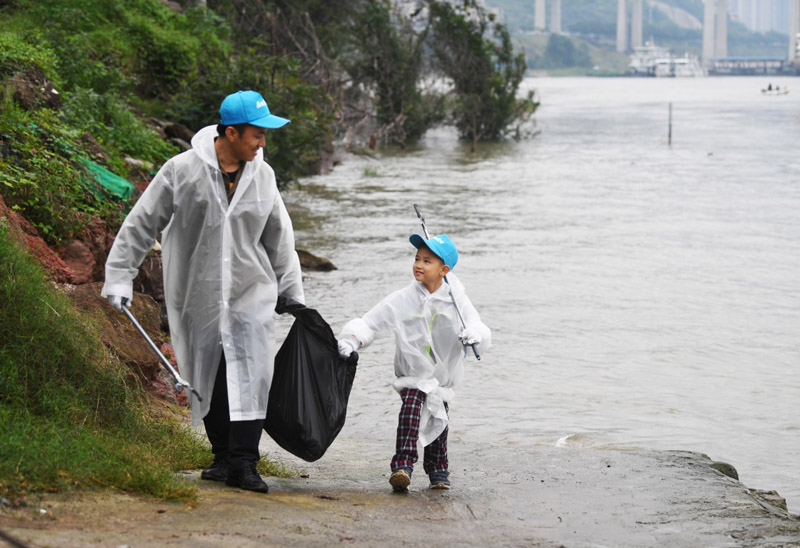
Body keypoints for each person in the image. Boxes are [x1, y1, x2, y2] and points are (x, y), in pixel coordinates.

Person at [102, 90, 304, 494]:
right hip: (199, 290)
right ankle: (222, 458)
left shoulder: (263, 175)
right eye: (257, 135)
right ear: (231, 133)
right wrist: (120, 275)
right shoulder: (182, 170)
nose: (263, 142)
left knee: (254, 370)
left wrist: (292, 290)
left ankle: (245, 463)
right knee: (208, 370)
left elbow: (280, 236)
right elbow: (142, 223)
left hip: (252, 289)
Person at [337, 233, 491, 492]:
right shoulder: (404, 298)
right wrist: (353, 340)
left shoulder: (457, 300)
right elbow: (372, 321)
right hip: (413, 375)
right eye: (417, 258)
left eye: (427, 260)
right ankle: (402, 467)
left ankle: (438, 471)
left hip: (440, 379)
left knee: (438, 422)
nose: (419, 264)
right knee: (410, 413)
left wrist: (474, 335)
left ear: (444, 270)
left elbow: (475, 326)